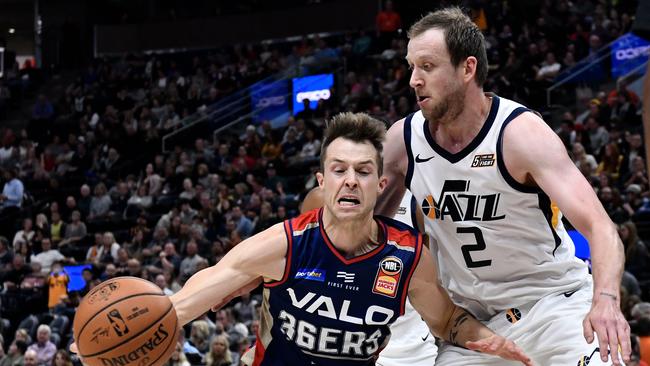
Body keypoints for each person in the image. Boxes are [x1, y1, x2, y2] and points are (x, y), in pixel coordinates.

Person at [377, 8, 630, 365]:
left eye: (427, 66)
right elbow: (360, 228)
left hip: (553, 308)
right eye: (412, 66)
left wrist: (606, 299)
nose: (414, 80)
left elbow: (601, 227)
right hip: (472, 330)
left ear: (467, 68)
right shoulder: (403, 141)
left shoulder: (519, 134)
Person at [300, 186, 438, 366]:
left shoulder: (418, 200)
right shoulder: (320, 198)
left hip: (410, 349)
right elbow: (303, 259)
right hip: (339, 346)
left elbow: (428, 276)